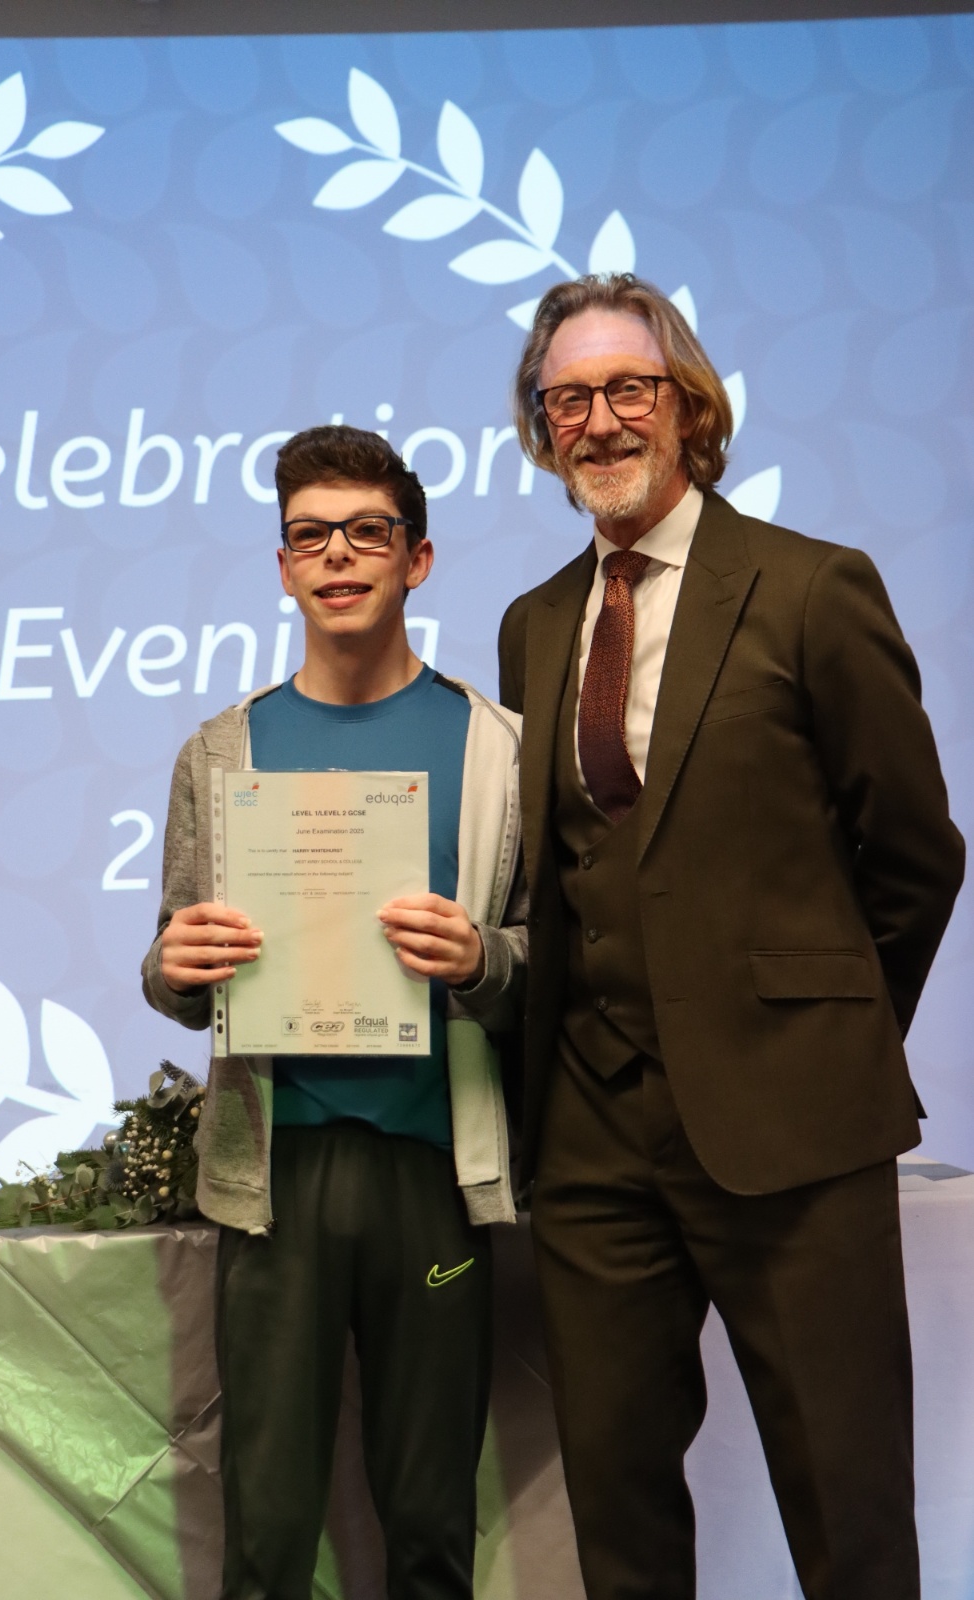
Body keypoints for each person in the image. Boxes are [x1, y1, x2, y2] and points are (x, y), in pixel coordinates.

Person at [497, 272, 964, 1600]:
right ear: (541, 427)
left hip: (791, 1126)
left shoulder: (812, 587)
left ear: (688, 406)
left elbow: (914, 854)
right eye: (567, 399)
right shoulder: (534, 624)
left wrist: (818, 1033)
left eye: (626, 389)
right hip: (589, 1140)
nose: (598, 421)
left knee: (847, 1513)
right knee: (618, 1517)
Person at [142, 425, 524, 1600]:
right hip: (277, 1175)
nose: (338, 555)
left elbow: (548, 957)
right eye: (310, 536)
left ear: (417, 558)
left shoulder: (497, 746)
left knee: (431, 1529)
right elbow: (171, 967)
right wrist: (175, 966)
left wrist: (484, 958)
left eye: (368, 531)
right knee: (265, 1535)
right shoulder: (222, 748)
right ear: (283, 567)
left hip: (434, 1170)